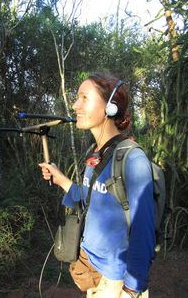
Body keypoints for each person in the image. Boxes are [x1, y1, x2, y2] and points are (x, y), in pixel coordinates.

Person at [39, 72, 155, 298]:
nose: (75, 105)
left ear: (110, 107)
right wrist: (61, 178)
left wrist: (131, 289)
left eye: (84, 98)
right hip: (90, 267)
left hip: (115, 279)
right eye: (77, 98)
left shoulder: (132, 160)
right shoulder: (95, 155)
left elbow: (144, 232)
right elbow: (89, 199)